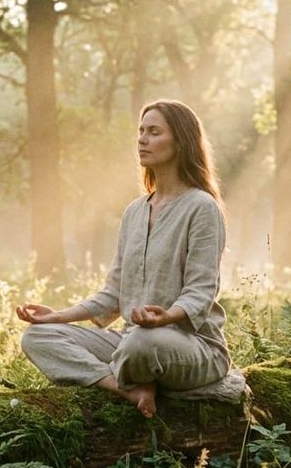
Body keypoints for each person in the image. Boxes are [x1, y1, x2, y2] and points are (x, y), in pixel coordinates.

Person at [17, 99, 230, 418]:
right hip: (132, 342)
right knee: (37, 337)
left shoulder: (202, 207)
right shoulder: (134, 212)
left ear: (181, 142)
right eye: (141, 131)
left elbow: (200, 292)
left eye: (154, 132)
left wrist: (166, 317)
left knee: (141, 343)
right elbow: (114, 294)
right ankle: (125, 388)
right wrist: (58, 317)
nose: (142, 139)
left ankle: (133, 372)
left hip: (193, 347)